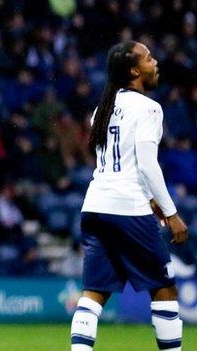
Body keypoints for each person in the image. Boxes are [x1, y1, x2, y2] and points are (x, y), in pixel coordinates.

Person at [70, 41, 188, 351]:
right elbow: (147, 165)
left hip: (95, 206)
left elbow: (114, 163)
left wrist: (149, 197)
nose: (155, 61)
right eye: (149, 58)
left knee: (93, 292)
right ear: (135, 70)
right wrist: (171, 212)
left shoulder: (102, 109)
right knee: (164, 289)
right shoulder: (149, 108)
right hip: (128, 209)